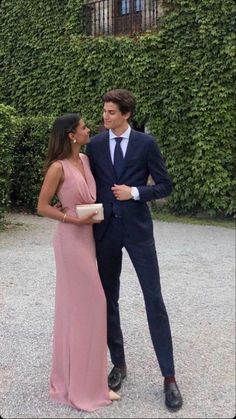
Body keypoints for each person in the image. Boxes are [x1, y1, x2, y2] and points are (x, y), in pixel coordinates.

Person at [86, 89, 183, 411]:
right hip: (106, 233)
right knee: (108, 299)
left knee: (153, 299)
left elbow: (165, 185)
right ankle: (119, 365)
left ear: (126, 114)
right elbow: (87, 183)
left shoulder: (146, 144)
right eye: (104, 111)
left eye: (111, 112)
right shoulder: (96, 144)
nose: (105, 117)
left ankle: (169, 377)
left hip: (139, 232)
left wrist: (136, 192)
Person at [37, 113, 120, 412]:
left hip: (88, 238)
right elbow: (42, 206)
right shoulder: (57, 168)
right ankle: (78, 385)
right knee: (92, 304)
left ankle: (91, 382)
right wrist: (68, 217)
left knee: (82, 310)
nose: (89, 130)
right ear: (71, 134)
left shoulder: (84, 161)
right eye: (84, 127)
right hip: (70, 240)